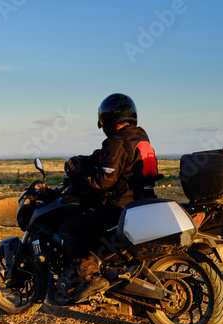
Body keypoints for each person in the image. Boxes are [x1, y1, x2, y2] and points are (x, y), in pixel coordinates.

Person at [60, 93, 161, 302]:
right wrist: (82, 160)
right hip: (144, 202)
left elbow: (103, 182)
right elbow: (106, 157)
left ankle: (90, 277)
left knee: (70, 228)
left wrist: (78, 176)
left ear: (107, 118)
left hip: (122, 206)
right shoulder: (139, 136)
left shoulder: (117, 141)